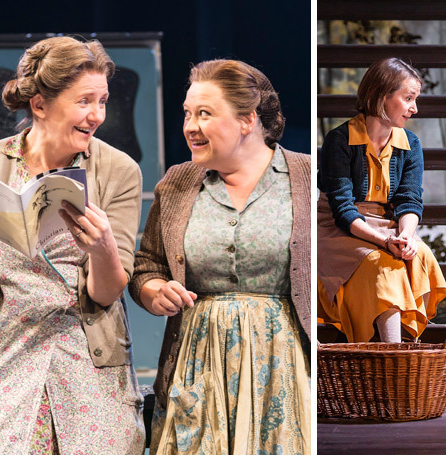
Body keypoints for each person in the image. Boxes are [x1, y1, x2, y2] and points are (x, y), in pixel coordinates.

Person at [0, 36, 145, 453]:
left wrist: (102, 248)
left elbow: (107, 293)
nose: (96, 115)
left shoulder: (118, 171)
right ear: (40, 104)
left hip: (84, 346)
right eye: (84, 102)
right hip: (2, 348)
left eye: (102, 101)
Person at [129, 59, 311, 454]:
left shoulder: (305, 178)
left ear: (247, 120)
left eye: (205, 114)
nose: (190, 126)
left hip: (281, 366)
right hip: (198, 363)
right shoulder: (178, 183)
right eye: (187, 114)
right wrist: (155, 290)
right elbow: (146, 267)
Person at [317, 57, 446, 343]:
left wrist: (405, 237)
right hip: (339, 229)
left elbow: (410, 200)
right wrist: (386, 243)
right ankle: (393, 355)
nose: (415, 108)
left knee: (420, 255)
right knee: (382, 263)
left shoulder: (410, 144)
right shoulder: (339, 140)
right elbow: (343, 211)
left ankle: (400, 351)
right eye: (408, 98)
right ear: (381, 96)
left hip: (387, 225)